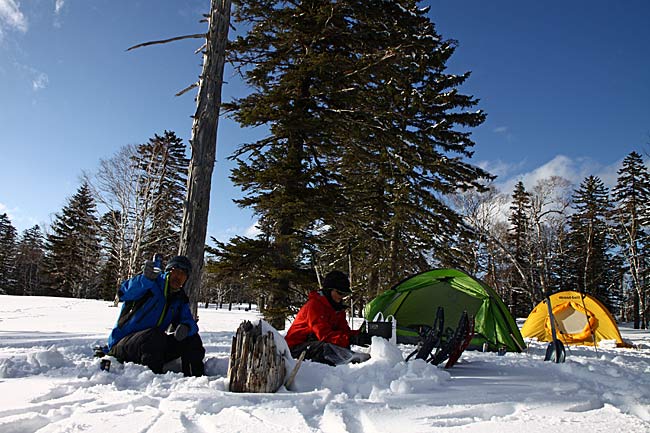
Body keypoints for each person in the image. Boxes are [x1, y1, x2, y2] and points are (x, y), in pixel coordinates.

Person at [106, 255, 205, 377]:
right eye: (176, 271)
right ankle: (152, 379)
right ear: (168, 271)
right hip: (123, 345)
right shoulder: (151, 284)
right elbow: (123, 292)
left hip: (153, 347)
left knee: (191, 338)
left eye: (183, 274)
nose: (178, 276)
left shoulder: (179, 299)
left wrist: (187, 327)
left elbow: (188, 321)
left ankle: (195, 379)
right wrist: (145, 279)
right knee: (155, 335)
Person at [285, 270, 369, 366]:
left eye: (344, 294)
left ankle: (349, 359)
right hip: (295, 349)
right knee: (324, 347)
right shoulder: (314, 306)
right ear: (329, 290)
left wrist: (360, 335)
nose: (341, 297)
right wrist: (351, 339)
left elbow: (344, 331)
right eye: (339, 293)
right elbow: (324, 335)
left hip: (315, 343)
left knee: (339, 344)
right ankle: (347, 361)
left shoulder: (337, 309)